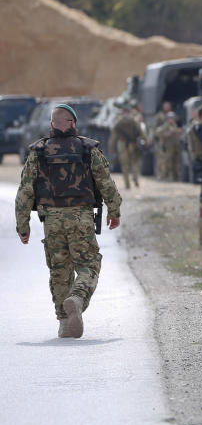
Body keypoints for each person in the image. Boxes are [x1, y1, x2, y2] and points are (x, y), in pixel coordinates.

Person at [15, 104, 122, 338]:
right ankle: (77, 298)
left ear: (52, 125)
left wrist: (22, 225)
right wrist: (114, 211)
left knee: (59, 271)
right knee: (89, 265)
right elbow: (106, 183)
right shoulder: (88, 148)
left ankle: (64, 322)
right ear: (73, 123)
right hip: (81, 218)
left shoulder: (39, 151)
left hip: (51, 220)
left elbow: (25, 192)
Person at [110, 105, 145, 189]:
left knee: (124, 165)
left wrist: (111, 147)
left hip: (122, 144)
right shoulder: (134, 120)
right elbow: (140, 130)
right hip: (133, 144)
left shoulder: (119, 121)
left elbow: (114, 136)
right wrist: (145, 139)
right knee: (135, 162)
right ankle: (135, 178)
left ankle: (127, 184)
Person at [156, 111, 181, 181]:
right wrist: (166, 134)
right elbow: (158, 132)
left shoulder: (175, 126)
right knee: (166, 163)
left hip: (175, 148)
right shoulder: (165, 126)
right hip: (167, 148)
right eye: (170, 118)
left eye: (172, 118)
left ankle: (176, 177)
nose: (171, 120)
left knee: (175, 163)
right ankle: (165, 176)